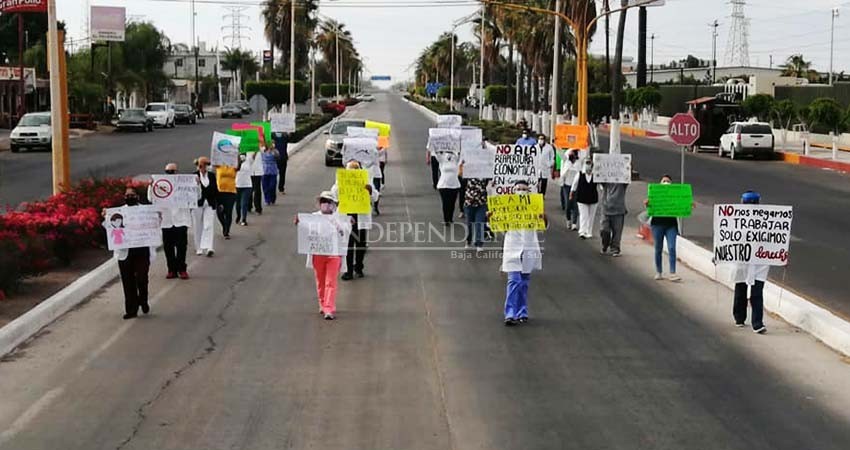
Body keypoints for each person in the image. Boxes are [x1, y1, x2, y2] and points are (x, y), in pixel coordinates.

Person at [496, 180, 546, 326]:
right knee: (514, 280)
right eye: (518, 189)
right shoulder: (507, 208)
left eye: (524, 189)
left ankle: (522, 311)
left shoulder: (534, 208)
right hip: (512, 248)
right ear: (513, 191)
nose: (521, 191)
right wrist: (491, 216)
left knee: (524, 282)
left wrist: (543, 216)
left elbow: (543, 226)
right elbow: (499, 227)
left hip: (529, 248)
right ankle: (510, 313)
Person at [296, 191, 349, 320]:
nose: (325, 204)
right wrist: (299, 222)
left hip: (334, 254)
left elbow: (345, 232)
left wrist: (344, 224)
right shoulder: (313, 217)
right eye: (323, 201)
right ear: (319, 204)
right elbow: (306, 230)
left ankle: (329, 308)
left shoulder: (341, 218)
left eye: (328, 202)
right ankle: (322, 303)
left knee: (331, 282)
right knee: (320, 281)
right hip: (318, 254)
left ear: (334, 204)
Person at [107, 187, 158, 320]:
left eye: (132, 195)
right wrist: (105, 218)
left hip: (142, 249)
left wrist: (158, 218)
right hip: (125, 251)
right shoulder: (119, 212)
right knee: (128, 281)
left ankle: (143, 300)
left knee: (142, 278)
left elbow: (155, 225)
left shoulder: (146, 211)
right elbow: (110, 227)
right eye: (127, 195)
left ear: (137, 197)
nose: (129, 197)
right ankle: (131, 309)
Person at [331, 161, 379, 280]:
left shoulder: (366, 180)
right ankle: (349, 271)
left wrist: (370, 191)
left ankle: (359, 267)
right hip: (347, 216)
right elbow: (334, 195)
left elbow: (376, 196)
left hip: (361, 215)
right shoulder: (341, 181)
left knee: (361, 244)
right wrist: (340, 186)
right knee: (348, 244)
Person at [732, 190, 769, 334]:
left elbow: (776, 239)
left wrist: (780, 256)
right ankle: (742, 318)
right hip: (743, 259)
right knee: (745, 290)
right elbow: (726, 237)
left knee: (754, 291)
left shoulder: (767, 219)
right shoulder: (735, 219)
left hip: (759, 261)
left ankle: (756, 323)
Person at [152, 163, 191, 279]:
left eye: (173, 171)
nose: (171, 174)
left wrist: (197, 185)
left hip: (181, 219)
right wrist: (152, 186)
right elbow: (151, 198)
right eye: (168, 172)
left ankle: (182, 269)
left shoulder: (184, 184)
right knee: (168, 247)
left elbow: (196, 196)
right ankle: (171, 270)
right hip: (167, 221)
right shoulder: (160, 184)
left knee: (181, 246)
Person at [645, 175, 681, 281]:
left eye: (668, 181)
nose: (666, 182)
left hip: (671, 225)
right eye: (664, 181)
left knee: (671, 248)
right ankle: (659, 271)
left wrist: (689, 205)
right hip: (657, 224)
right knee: (658, 248)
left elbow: (682, 206)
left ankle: (672, 273)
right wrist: (647, 204)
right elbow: (650, 208)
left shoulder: (675, 196)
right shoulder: (655, 195)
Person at [193, 157, 217, 256]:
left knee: (209, 225)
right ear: (198, 166)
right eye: (201, 165)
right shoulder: (194, 176)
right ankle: (199, 247)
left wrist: (218, 202)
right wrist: (197, 183)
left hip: (210, 204)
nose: (203, 167)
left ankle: (209, 247)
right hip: (198, 204)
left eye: (206, 165)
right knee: (198, 225)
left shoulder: (211, 175)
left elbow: (215, 189)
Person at [570, 159, 599, 239]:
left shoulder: (595, 175)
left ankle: (589, 231)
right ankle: (582, 231)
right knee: (584, 215)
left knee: (591, 216)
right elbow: (574, 184)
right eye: (587, 163)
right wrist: (571, 193)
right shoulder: (580, 174)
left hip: (593, 198)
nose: (588, 166)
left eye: (590, 164)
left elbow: (601, 186)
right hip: (582, 198)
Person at [599, 181, 628, 257]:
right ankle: (605, 244)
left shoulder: (622, 182)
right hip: (606, 209)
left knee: (617, 231)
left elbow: (628, 176)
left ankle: (615, 248)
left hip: (618, 210)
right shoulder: (605, 180)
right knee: (604, 229)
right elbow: (599, 177)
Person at [462, 175, 489, 252]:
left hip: (482, 202)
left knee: (479, 222)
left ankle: (479, 243)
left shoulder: (486, 175)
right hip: (469, 202)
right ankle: (468, 240)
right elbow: (461, 175)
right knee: (469, 223)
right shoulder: (469, 173)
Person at [435, 150, 461, 225]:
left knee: (452, 202)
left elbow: (461, 157)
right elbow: (436, 152)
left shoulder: (456, 157)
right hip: (443, 184)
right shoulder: (442, 157)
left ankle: (450, 217)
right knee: (446, 202)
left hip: (454, 184)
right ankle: (446, 219)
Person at [559, 149, 581, 230]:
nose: (571, 155)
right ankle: (568, 220)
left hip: (576, 187)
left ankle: (574, 223)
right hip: (567, 186)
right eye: (570, 154)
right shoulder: (566, 162)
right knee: (568, 204)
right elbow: (560, 152)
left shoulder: (579, 164)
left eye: (573, 154)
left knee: (575, 205)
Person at [215, 162, 238, 240]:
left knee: (228, 212)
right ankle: (224, 225)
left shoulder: (234, 166)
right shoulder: (219, 165)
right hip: (219, 191)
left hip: (231, 192)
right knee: (219, 212)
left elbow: (238, 165)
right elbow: (214, 159)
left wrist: (236, 154)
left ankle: (226, 231)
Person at [235, 153, 254, 226]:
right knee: (238, 203)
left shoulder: (249, 161)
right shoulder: (235, 162)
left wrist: (256, 148)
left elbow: (254, 156)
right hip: (237, 185)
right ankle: (238, 216)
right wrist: (239, 161)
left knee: (244, 203)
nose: (243, 157)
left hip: (247, 185)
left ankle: (244, 219)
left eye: (244, 155)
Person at [249, 148, 264, 214]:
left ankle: (258, 208)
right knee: (249, 190)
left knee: (257, 190)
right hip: (248, 171)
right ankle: (248, 206)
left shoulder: (259, 146)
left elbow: (264, 149)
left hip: (258, 171)